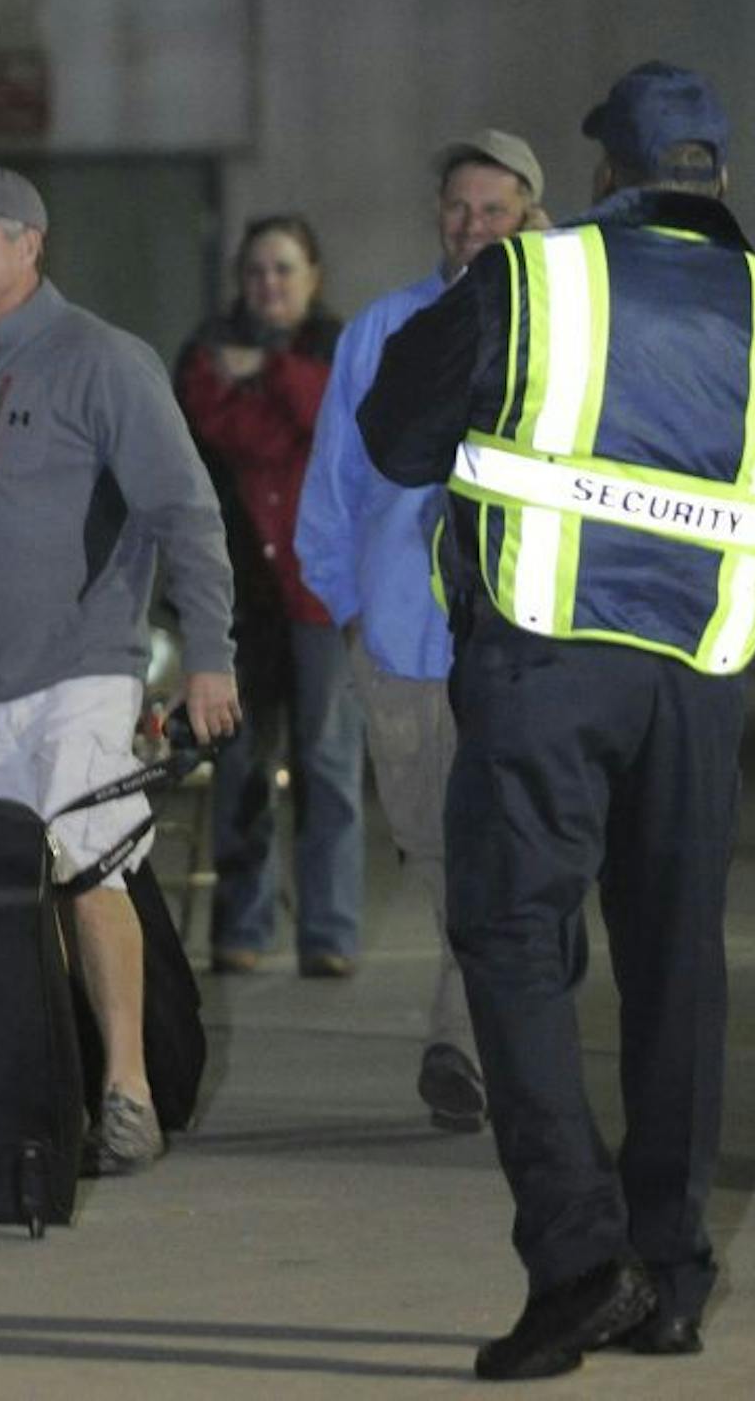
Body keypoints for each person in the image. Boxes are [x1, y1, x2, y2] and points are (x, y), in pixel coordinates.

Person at [360, 62, 755, 1380]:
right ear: (721, 175)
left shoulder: (533, 280)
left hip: (542, 666)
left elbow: (396, 434)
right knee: (678, 967)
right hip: (696, 680)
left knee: (514, 943)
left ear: (604, 177)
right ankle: (673, 1276)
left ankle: (582, 1260)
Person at [0, 165, 241, 1174]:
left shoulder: (105, 360)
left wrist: (211, 660)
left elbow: (187, 514)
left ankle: (128, 1086)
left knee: (91, 864)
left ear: (29, 244)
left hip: (82, 668)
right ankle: (40, 1090)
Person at [295, 128, 548, 1130]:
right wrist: (350, 609)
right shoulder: (383, 329)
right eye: (458, 208)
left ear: (533, 211)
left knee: (516, 851)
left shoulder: (563, 326)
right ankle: (492, 1036)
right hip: (404, 643)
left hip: (531, 644)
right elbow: (334, 488)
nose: (471, 225)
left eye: (493, 208)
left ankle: (466, 1041)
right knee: (445, 852)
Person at [176, 215, 362, 980]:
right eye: (257, 270)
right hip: (239, 599)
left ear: (313, 276)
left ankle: (331, 932)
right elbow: (220, 424)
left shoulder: (343, 348)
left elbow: (333, 420)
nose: (270, 284)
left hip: (322, 596)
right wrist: (273, 396)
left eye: (284, 269)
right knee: (240, 765)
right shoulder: (204, 350)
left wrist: (270, 375)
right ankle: (241, 927)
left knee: (328, 764)